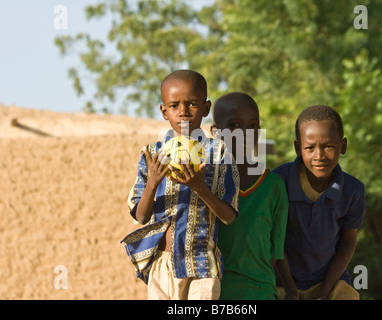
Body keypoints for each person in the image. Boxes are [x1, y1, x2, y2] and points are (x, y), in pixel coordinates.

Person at [121, 70, 239, 300]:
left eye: (192, 104)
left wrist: (200, 188)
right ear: (164, 111)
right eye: (174, 106)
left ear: (205, 109)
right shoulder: (152, 153)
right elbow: (141, 216)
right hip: (162, 267)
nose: (183, 112)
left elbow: (229, 217)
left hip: (203, 266)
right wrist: (153, 182)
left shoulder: (218, 153)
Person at [273, 105, 365, 300]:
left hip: (330, 283)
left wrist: (324, 293)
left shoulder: (353, 190)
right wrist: (290, 289)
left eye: (328, 146)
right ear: (298, 148)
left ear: (343, 146)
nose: (319, 155)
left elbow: (348, 242)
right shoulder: (278, 182)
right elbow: (275, 240)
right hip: (281, 281)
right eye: (310, 147)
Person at [211, 92, 289, 300]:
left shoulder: (274, 185)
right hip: (213, 293)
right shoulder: (205, 182)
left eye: (253, 126)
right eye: (235, 125)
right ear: (216, 132)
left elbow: (274, 254)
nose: (245, 133)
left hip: (260, 292)